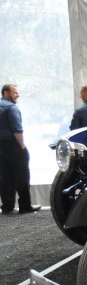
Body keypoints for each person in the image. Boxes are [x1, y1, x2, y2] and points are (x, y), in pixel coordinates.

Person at [0, 84, 40, 214]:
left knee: (4, 176)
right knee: (22, 175)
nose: (18, 95)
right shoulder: (11, 108)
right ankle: (25, 206)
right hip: (12, 145)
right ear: (6, 93)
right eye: (15, 92)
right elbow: (17, 129)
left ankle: (7, 206)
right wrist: (22, 147)